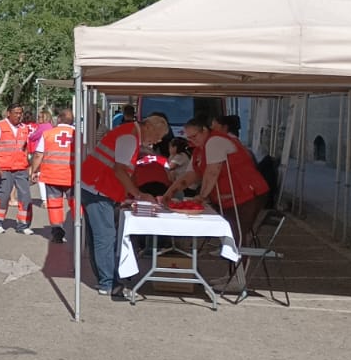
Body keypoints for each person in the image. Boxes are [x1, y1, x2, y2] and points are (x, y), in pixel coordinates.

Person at [79, 111, 171, 297]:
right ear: (149, 127)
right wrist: (137, 194)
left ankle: (106, 279)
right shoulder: (130, 137)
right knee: (105, 237)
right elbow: (120, 170)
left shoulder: (129, 134)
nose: (158, 141)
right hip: (98, 189)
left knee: (100, 237)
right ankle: (108, 283)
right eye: (158, 136)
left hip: (94, 186)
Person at [165, 114, 269, 250]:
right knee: (230, 233)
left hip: (246, 193)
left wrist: (201, 196)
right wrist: (170, 192)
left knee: (236, 235)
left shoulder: (215, 141)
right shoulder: (198, 151)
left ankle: (238, 268)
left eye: (194, 137)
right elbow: (190, 176)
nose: (192, 141)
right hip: (227, 198)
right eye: (188, 138)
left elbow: (212, 172)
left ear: (204, 130)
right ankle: (234, 265)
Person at [31, 108, 76, 243]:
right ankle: (81, 230)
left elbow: (39, 154)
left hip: (52, 176)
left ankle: (57, 231)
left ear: (59, 119)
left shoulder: (48, 134)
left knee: (55, 205)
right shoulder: (78, 135)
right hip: (72, 176)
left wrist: (33, 171)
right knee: (75, 203)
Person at [0, 105, 33, 235]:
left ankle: (23, 225)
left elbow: (25, 148)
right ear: (8, 113)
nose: (18, 115)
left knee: (25, 196)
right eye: (15, 113)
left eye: (20, 113)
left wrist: (29, 165)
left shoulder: (24, 128)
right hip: (4, 167)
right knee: (3, 195)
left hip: (20, 167)